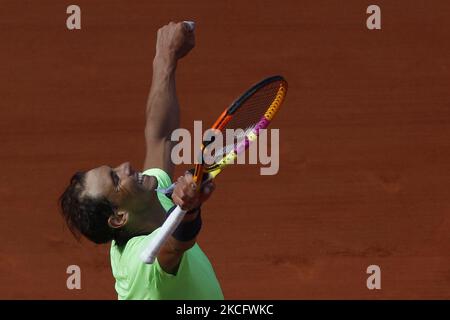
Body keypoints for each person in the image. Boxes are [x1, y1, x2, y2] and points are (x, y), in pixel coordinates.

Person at [59, 21, 224, 300]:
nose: (125, 167)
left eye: (113, 169)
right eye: (115, 179)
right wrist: (189, 209)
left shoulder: (149, 197)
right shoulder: (141, 262)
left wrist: (165, 57)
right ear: (118, 217)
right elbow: (174, 245)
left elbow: (160, 136)